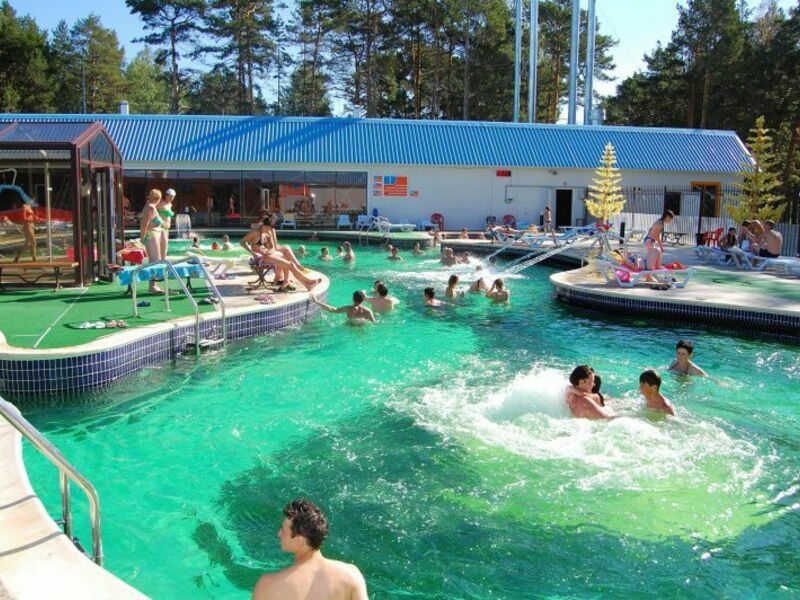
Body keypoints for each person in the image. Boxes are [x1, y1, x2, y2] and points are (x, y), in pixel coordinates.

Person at [252, 499, 368, 600]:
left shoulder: (267, 585)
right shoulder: (351, 574)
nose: (279, 534)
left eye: (283, 530)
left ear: (299, 540)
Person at [240, 224, 322, 292]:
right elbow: (242, 242)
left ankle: (305, 283)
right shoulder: (255, 232)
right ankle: (308, 282)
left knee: (290, 262)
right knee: (291, 265)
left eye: (270, 227)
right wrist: (252, 252)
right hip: (260, 258)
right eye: (268, 227)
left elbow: (273, 247)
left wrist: (269, 250)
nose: (270, 229)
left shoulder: (268, 233)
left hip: (267, 255)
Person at [139, 189, 166, 293]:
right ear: (157, 198)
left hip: (155, 235)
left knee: (155, 261)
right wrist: (142, 238)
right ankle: (152, 286)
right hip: (151, 235)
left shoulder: (152, 206)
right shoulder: (150, 207)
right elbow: (144, 224)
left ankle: (153, 285)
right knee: (154, 261)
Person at [312, 290, 376, 323]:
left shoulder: (348, 308)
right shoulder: (368, 311)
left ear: (353, 299)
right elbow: (374, 323)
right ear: (363, 300)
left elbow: (332, 309)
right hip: (362, 329)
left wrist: (316, 301)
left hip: (349, 327)